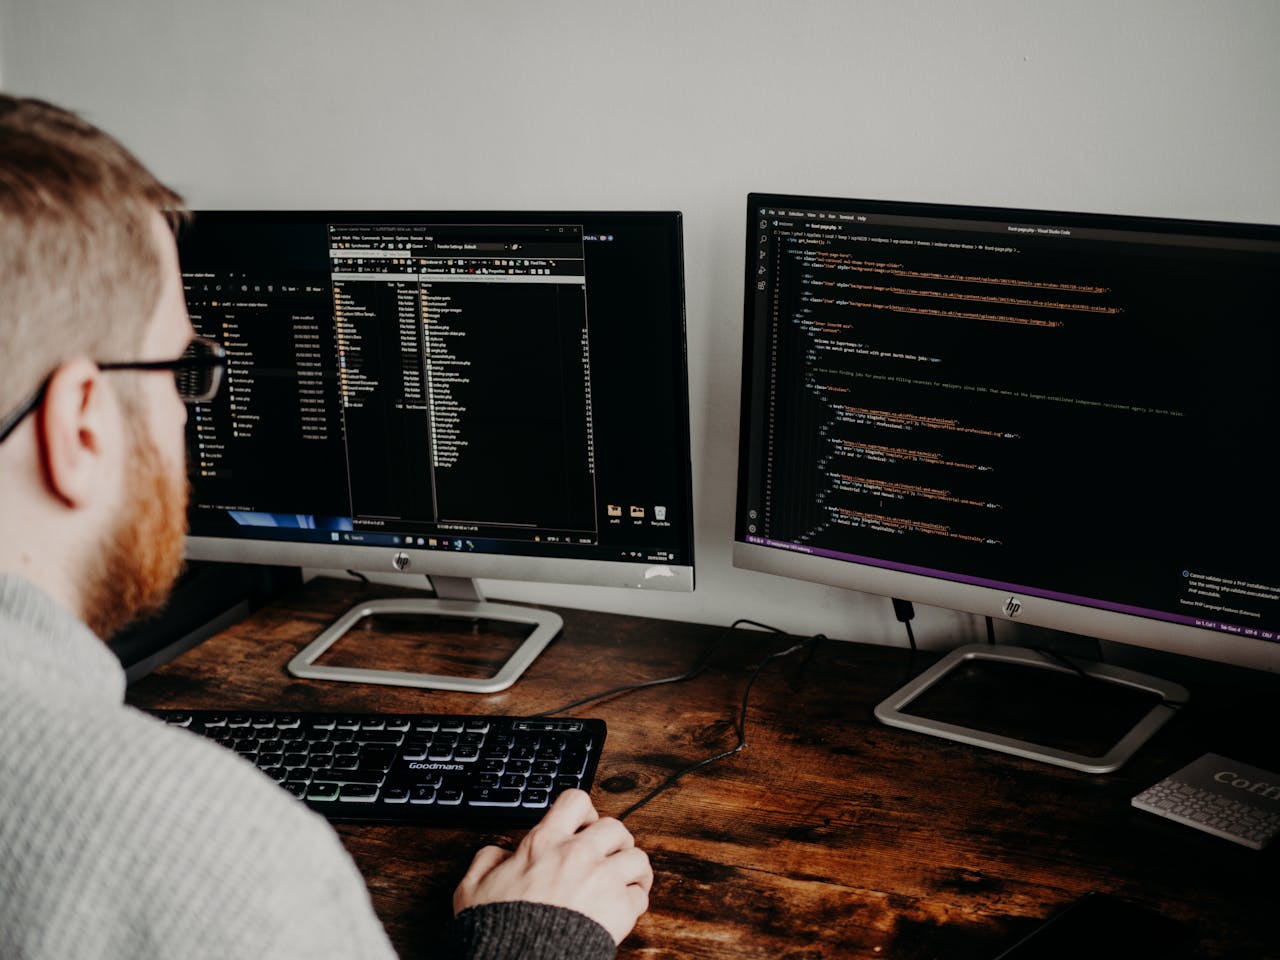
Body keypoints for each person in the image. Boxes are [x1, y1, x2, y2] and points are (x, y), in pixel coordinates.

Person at [0, 93, 652, 960]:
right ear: (82, 420)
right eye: (185, 368)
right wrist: (534, 935)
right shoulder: (211, 854)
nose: (192, 412)